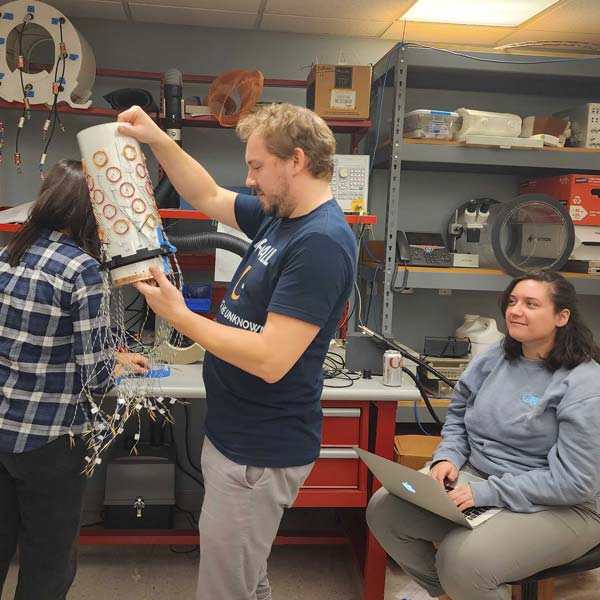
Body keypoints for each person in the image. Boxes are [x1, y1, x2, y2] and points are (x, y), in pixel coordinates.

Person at [117, 103, 357, 600]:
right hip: (235, 437)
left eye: (256, 165)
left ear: (295, 160)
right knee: (247, 577)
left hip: (259, 450)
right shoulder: (281, 216)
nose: (249, 180)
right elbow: (206, 193)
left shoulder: (321, 241)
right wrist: (159, 139)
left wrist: (182, 317)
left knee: (225, 589)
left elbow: (271, 359)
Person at [366, 270, 600, 600]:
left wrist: (488, 493)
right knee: (385, 509)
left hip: (563, 505)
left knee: (462, 560)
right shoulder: (495, 357)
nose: (516, 310)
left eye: (531, 304)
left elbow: (576, 482)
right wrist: (448, 456)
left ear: (562, 317)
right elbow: (459, 414)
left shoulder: (584, 383)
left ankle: (462, 585)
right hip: (479, 479)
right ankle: (450, 593)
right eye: (513, 301)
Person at [0, 160, 147, 600]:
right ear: (93, 212)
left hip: (3, 430)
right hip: (51, 442)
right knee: (47, 566)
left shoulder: (9, 255)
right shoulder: (82, 270)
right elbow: (97, 378)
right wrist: (116, 361)